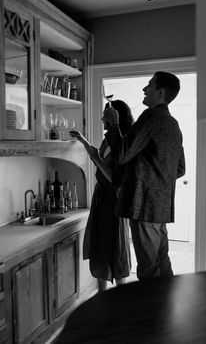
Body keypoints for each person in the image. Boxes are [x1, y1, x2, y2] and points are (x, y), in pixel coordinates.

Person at [103, 71, 186, 280]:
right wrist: (155, 179)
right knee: (163, 264)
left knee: (148, 270)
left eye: (149, 85)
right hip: (161, 208)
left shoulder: (151, 117)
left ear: (160, 92)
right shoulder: (173, 124)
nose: (144, 89)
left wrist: (114, 123)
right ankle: (167, 310)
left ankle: (151, 313)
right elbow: (180, 169)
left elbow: (121, 154)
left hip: (144, 207)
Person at [70, 100, 134, 291]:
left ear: (115, 118)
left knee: (116, 246)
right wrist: (83, 140)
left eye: (105, 116)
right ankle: (102, 296)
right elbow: (96, 157)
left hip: (113, 200)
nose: (101, 119)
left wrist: (98, 159)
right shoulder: (108, 139)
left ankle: (120, 296)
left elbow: (116, 179)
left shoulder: (122, 141)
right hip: (101, 199)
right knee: (100, 246)